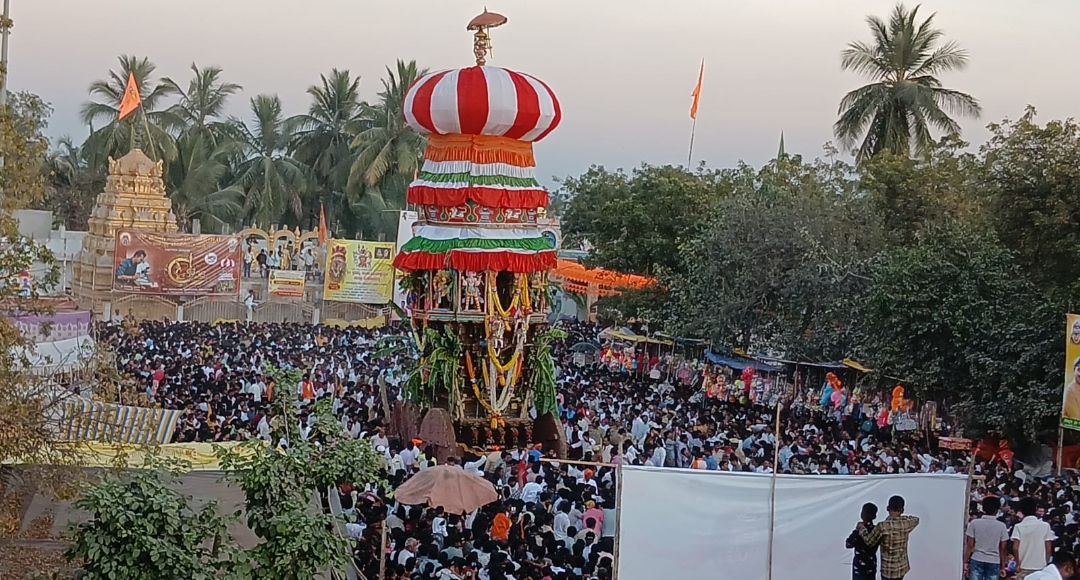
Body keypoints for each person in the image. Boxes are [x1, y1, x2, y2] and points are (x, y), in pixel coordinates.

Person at [858, 495, 919, 580]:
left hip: (888, 571)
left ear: (887, 508)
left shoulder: (882, 526)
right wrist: (900, 518)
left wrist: (861, 528)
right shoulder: (906, 524)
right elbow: (916, 519)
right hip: (902, 568)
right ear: (902, 510)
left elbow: (869, 541)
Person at [965, 496, 1008, 580]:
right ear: (997, 510)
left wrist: (965, 561)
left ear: (983, 509)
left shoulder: (974, 523)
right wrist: (1003, 566)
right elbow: (1003, 547)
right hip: (994, 560)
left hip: (977, 557)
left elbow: (970, 544)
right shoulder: (1001, 526)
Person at [1012, 496, 1055, 579]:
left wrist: (1017, 563)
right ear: (1035, 509)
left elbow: (1015, 548)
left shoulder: (1018, 526)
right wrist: (1045, 562)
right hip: (1040, 566)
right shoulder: (1045, 526)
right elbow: (1048, 549)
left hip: (1023, 566)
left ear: (1021, 510)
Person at [846, 502, 880, 580]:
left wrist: (856, 530)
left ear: (863, 514)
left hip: (859, 567)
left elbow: (848, 544)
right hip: (871, 564)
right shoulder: (876, 530)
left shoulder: (859, 530)